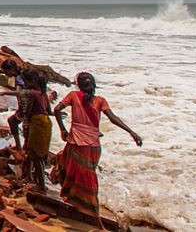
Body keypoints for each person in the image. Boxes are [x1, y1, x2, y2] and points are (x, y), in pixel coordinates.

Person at [52, 72, 142, 227]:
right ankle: (85, 206)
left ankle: (87, 209)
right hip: (93, 147)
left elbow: (56, 109)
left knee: (71, 169)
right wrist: (131, 132)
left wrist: (62, 129)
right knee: (87, 177)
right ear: (93, 85)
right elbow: (113, 118)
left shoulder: (73, 96)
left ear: (78, 85)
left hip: (77, 143)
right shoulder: (100, 101)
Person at [24, 71, 53, 191]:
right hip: (46, 122)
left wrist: (26, 119)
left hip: (37, 123)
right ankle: (37, 179)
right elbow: (49, 110)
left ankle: (41, 185)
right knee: (42, 153)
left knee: (35, 154)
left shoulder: (33, 94)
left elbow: (29, 111)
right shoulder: (44, 95)